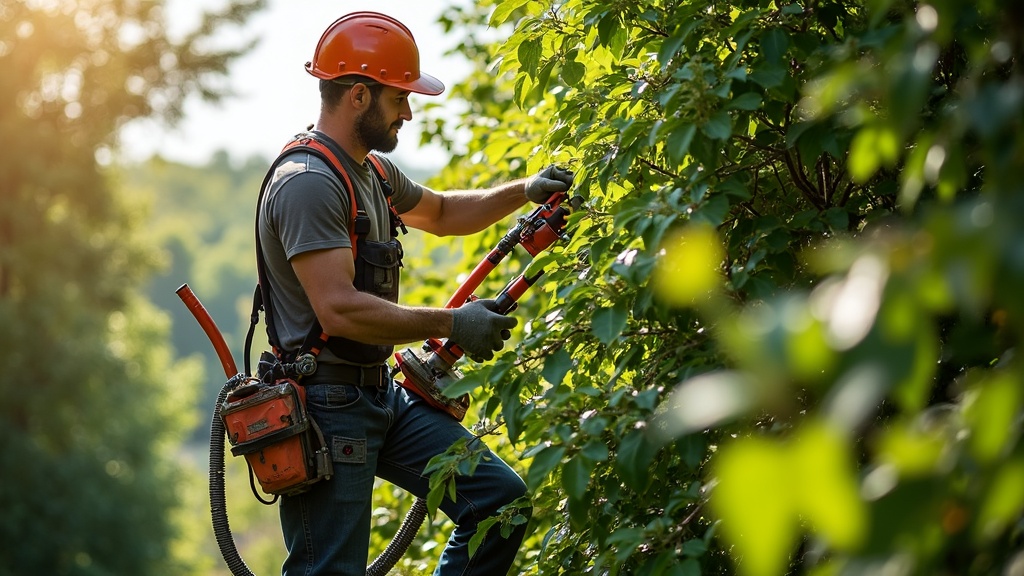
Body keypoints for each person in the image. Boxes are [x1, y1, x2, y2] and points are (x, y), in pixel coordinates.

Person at [255, 11, 574, 576]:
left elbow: (446, 213)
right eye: (399, 97)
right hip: (326, 407)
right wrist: (454, 324)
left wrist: (525, 191)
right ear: (358, 95)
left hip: (381, 395)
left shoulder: (372, 171)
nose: (408, 110)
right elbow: (339, 309)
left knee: (499, 502)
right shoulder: (307, 183)